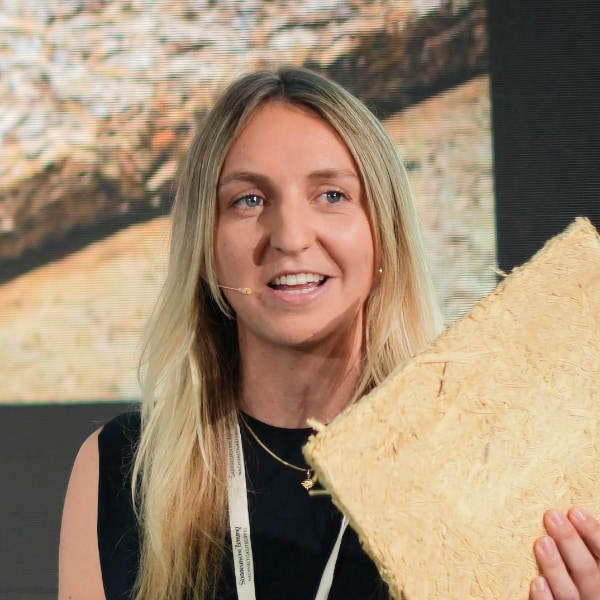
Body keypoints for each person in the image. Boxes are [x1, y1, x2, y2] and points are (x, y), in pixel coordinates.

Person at [58, 67, 600, 600]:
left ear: (383, 235)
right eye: (249, 200)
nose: (291, 237)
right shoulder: (121, 469)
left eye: (332, 195)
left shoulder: (495, 460)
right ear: (204, 251)